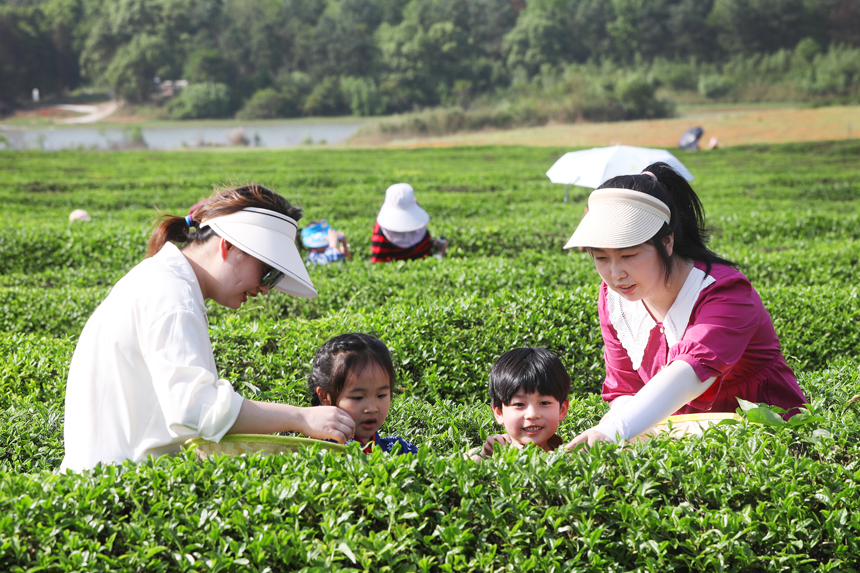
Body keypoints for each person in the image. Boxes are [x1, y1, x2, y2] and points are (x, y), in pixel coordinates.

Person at [61, 184, 355, 471]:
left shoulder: (164, 281)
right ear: (228, 245)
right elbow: (196, 410)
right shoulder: (171, 296)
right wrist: (300, 418)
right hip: (119, 486)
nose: (265, 288)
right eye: (267, 270)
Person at [563, 163, 808, 449]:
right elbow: (626, 388)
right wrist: (613, 434)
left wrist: (617, 428)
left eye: (628, 255)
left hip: (764, 438)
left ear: (667, 242)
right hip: (681, 441)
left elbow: (691, 374)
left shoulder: (725, 292)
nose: (615, 274)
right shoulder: (613, 299)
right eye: (601, 258)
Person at [309, 333, 417, 455]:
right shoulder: (322, 454)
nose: (372, 408)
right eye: (358, 397)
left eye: (381, 395)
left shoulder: (401, 450)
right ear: (325, 397)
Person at [471, 348, 570, 461]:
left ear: (562, 410)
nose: (532, 414)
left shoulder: (573, 460)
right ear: (499, 413)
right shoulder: (479, 455)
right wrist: (483, 457)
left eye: (544, 403)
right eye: (519, 404)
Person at [371, 183, 447, 262]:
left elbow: (422, 244)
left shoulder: (418, 220)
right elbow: (378, 262)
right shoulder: (381, 232)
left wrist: (434, 243)